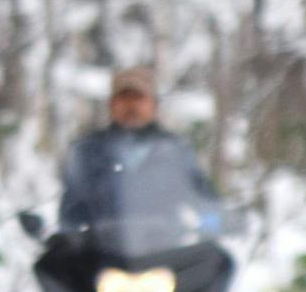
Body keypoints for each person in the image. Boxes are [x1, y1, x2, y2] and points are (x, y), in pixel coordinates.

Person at [56, 65, 225, 245]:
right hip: (101, 255)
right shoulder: (88, 150)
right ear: (112, 104)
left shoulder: (175, 151)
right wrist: (71, 240)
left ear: (154, 104)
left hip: (166, 254)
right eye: (124, 98)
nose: (131, 105)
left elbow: (204, 199)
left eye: (138, 98)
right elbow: (71, 209)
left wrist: (211, 227)